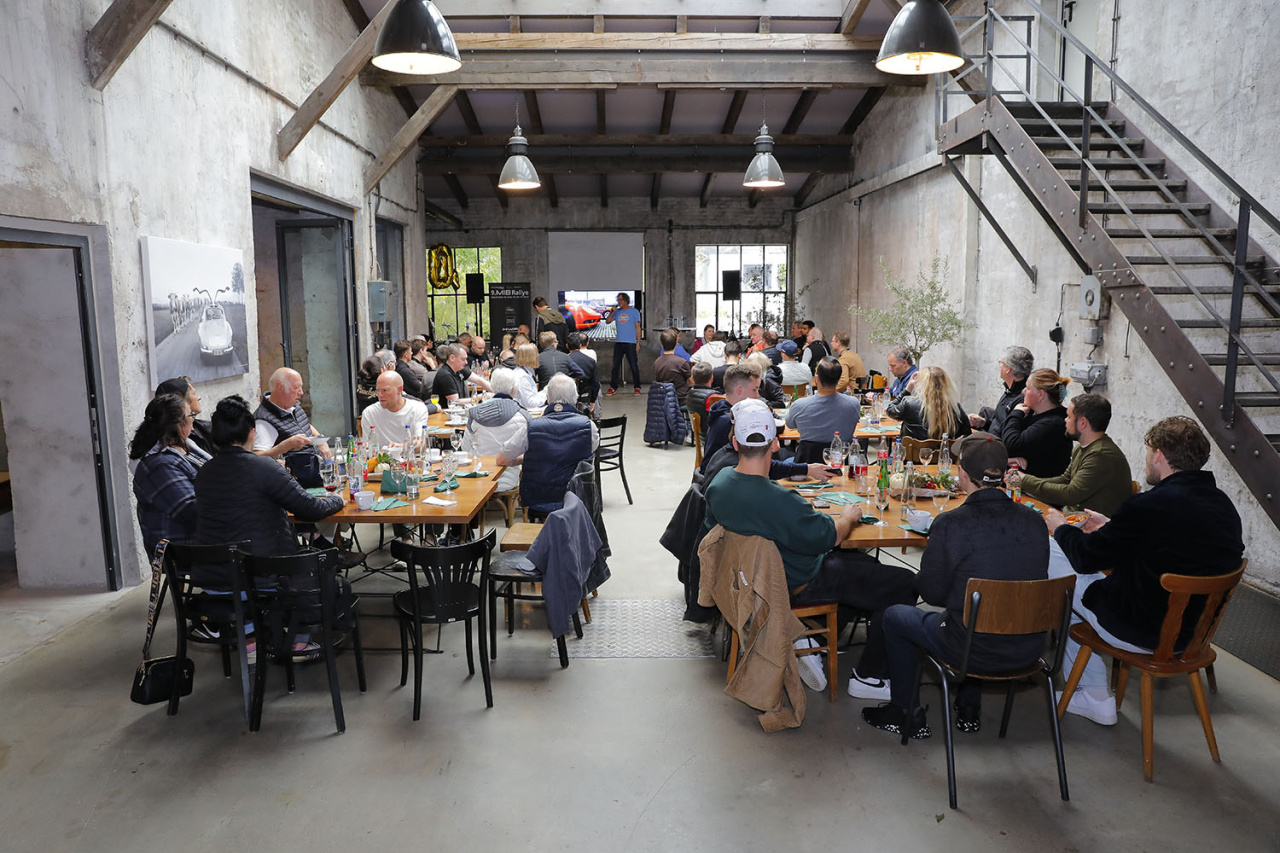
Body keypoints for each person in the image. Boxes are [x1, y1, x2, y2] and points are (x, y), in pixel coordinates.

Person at [704, 399, 918, 697]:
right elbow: (830, 538)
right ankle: (869, 676)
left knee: (869, 569)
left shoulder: (720, 483)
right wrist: (848, 517)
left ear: (736, 443)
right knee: (904, 582)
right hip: (796, 581)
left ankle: (814, 641)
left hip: (749, 580)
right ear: (775, 444)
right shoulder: (779, 500)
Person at [1045, 416, 1244, 726]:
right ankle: (1092, 695)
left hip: (1141, 629)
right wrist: (1113, 527)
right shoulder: (1223, 506)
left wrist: (1060, 528)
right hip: (1193, 636)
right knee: (1073, 596)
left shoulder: (1149, 505)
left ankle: (1090, 693)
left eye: (1149, 452)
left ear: (1159, 455)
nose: (1148, 459)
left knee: (1054, 554)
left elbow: (1085, 558)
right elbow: (1175, 545)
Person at [862, 434, 1049, 739]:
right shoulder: (1035, 521)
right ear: (1004, 473)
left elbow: (932, 593)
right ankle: (969, 708)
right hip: (1028, 648)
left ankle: (906, 714)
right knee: (980, 611)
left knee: (897, 616)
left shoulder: (952, 524)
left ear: (962, 475)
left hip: (971, 649)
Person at [196, 395, 354, 652]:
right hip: (259, 577)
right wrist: (337, 499)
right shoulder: (264, 467)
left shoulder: (205, 472)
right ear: (251, 432)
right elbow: (310, 509)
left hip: (213, 579)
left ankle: (251, 636)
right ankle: (298, 642)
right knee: (326, 573)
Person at [1007, 393, 1132, 517]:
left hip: (1088, 526)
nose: (1065, 420)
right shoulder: (1083, 447)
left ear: (1083, 423)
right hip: (1072, 517)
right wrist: (1024, 481)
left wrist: (1025, 480)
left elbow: (1070, 494)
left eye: (1069, 417)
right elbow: (1065, 480)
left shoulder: (1100, 455)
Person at [700, 363, 829, 482]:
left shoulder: (722, 411)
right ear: (739, 390)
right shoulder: (734, 422)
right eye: (755, 389)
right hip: (729, 483)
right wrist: (807, 469)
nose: (757, 396)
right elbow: (762, 465)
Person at [498, 375, 599, 515]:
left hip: (539, 500)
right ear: (575, 398)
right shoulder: (589, 427)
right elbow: (589, 452)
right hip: (577, 499)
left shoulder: (531, 427)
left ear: (549, 398)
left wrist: (525, 458)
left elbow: (502, 459)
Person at [129, 393, 200, 555]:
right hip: (183, 548)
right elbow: (190, 511)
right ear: (178, 425)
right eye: (191, 415)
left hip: (199, 538)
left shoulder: (185, 446)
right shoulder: (159, 466)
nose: (193, 419)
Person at [997, 368, 1072, 478]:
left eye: (1027, 388)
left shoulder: (1053, 424)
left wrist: (1016, 413)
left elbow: (1012, 444)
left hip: (1040, 485)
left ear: (1041, 394)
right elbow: (1002, 432)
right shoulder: (1032, 413)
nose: (1023, 392)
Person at [464, 368, 529, 492]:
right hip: (510, 478)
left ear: (492, 387)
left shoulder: (474, 413)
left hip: (479, 477)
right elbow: (531, 450)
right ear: (513, 390)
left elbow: (466, 448)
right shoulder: (522, 415)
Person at [253, 367, 330, 467]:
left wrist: (321, 442)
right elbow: (256, 458)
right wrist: (286, 445)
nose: (301, 392)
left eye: (301, 387)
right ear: (280, 387)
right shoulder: (264, 421)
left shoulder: (291, 405)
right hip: (298, 473)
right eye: (296, 388)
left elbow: (305, 424)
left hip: (318, 464)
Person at [785, 356, 862, 447]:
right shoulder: (853, 404)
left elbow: (790, 425)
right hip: (841, 455)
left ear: (817, 378)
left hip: (807, 455)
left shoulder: (799, 405)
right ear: (839, 379)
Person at [887, 365, 973, 441]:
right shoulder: (955, 408)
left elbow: (890, 410)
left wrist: (907, 389)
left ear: (921, 384)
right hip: (945, 454)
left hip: (912, 453)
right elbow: (967, 435)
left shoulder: (909, 404)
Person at [361, 371, 435, 450]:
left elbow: (421, 443)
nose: (380, 395)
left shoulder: (418, 408)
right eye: (378, 390)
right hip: (382, 457)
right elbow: (367, 446)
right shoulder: (369, 413)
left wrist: (401, 447)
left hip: (410, 456)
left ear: (399, 390)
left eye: (385, 390)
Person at [969, 345, 1033, 433]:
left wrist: (976, 434)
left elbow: (1008, 434)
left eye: (1001, 363)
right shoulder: (1010, 391)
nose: (1000, 366)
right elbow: (999, 424)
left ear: (1008, 369)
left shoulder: (1023, 399)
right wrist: (983, 422)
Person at [155, 376, 214, 458]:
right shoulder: (170, 442)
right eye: (194, 394)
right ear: (182, 402)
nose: (199, 398)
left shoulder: (207, 427)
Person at [604, 292, 643, 396]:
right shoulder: (617, 312)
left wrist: (638, 342)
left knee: (633, 365)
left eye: (620, 300)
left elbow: (638, 327)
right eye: (618, 300)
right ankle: (613, 387)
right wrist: (613, 312)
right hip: (619, 342)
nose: (619, 302)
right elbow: (607, 321)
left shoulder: (634, 312)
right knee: (615, 366)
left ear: (626, 300)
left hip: (631, 343)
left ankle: (637, 387)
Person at [653, 328, 693, 406]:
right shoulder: (682, 362)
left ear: (661, 344)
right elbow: (691, 381)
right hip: (681, 399)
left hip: (664, 398)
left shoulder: (657, 362)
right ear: (676, 343)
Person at [568, 332, 600, 410]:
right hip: (585, 397)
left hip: (568, 398)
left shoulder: (564, 360)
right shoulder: (590, 361)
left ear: (567, 346)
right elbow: (595, 383)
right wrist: (592, 401)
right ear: (580, 345)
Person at [511, 343, 547, 409]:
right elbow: (530, 403)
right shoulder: (523, 377)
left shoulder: (522, 372)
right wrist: (545, 393)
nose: (538, 356)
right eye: (535, 354)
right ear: (530, 357)